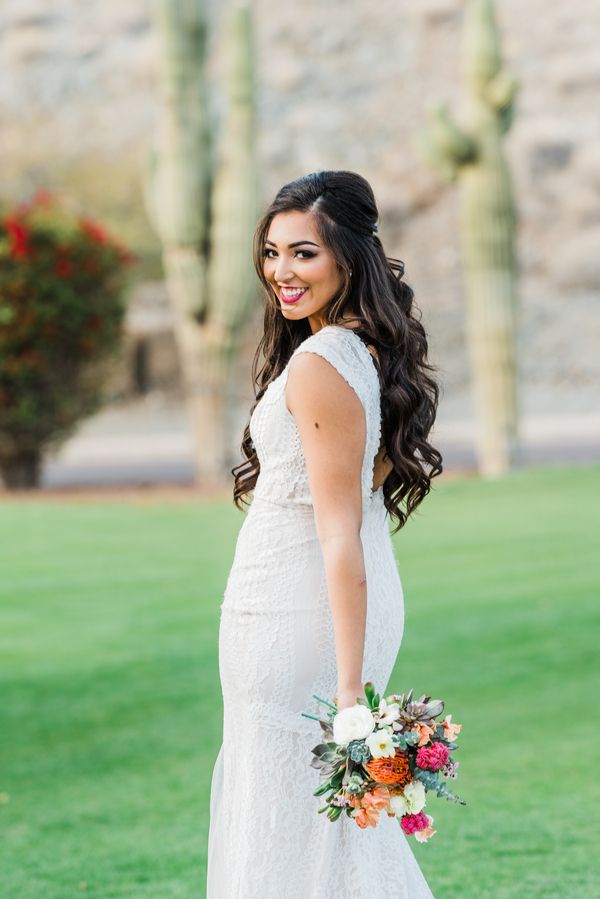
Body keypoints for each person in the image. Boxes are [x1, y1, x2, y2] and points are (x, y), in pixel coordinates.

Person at [206, 170, 443, 897]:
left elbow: (339, 533)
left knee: (289, 820)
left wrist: (350, 695)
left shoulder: (319, 365)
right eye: (273, 252)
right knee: (319, 825)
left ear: (349, 256)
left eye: (304, 253)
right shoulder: (357, 350)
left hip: (296, 618)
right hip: (296, 609)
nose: (282, 270)